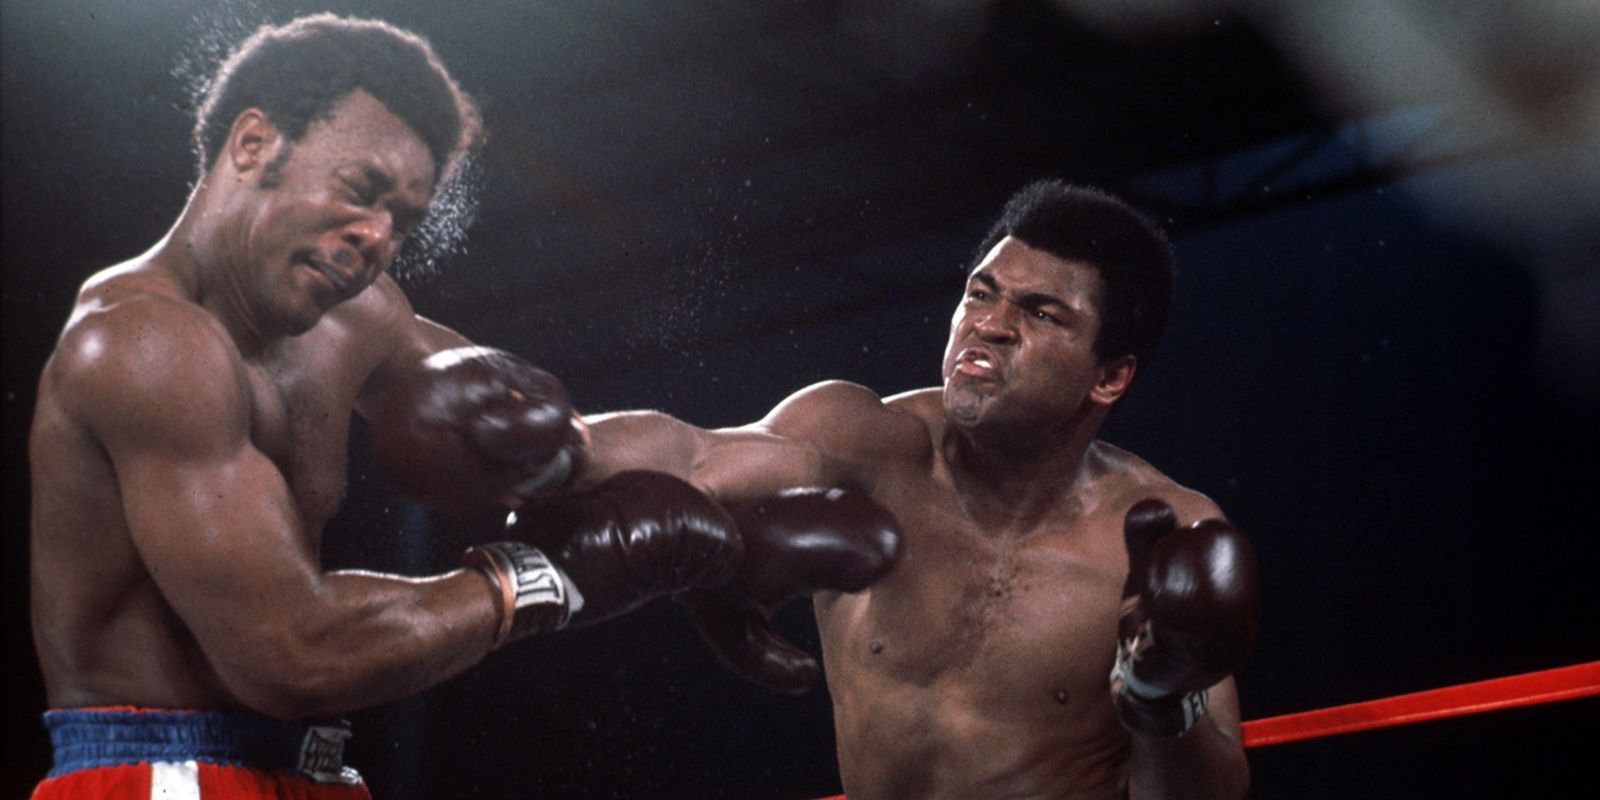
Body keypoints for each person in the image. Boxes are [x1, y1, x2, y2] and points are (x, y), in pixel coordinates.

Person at [26, 15, 899, 798]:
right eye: (360, 190)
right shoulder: (143, 344)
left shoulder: (355, 318)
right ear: (254, 143)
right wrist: (542, 577)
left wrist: (739, 532)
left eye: (403, 221)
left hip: (316, 771)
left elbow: (567, 447)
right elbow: (290, 654)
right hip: (162, 773)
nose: (376, 238)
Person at [576, 180, 1260, 799]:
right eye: (980, 291)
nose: (989, 324)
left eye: (1042, 313)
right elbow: (694, 454)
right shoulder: (863, 445)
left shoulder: (1162, 532)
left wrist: (1162, 699)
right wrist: (557, 445)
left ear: (1108, 376)